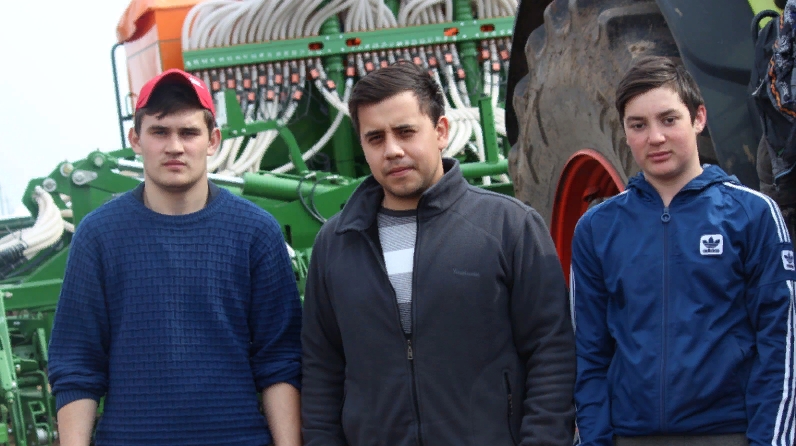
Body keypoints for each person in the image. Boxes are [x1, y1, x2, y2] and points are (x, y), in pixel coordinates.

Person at [300, 61, 576, 445]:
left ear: (441, 131)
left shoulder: (509, 227)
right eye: (375, 138)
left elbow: (551, 353)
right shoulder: (336, 243)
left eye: (406, 132)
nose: (392, 150)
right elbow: (321, 370)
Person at [48, 69, 302, 446]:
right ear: (136, 140)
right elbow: (77, 364)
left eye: (188, 132)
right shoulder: (98, 235)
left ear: (212, 140)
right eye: (159, 132)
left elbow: (279, 360)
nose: (175, 147)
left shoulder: (255, 232)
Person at [571, 55, 796, 446]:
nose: (655, 137)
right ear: (625, 132)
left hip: (729, 434)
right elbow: (588, 353)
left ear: (699, 118)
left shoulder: (752, 214)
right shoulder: (597, 228)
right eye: (638, 125)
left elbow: (781, 344)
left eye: (669, 119)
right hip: (631, 437)